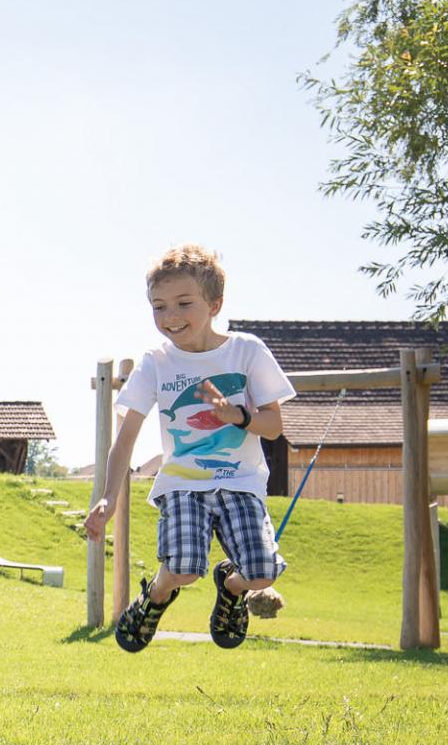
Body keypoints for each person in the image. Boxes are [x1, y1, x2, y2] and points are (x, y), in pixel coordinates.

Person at [84, 244, 295, 651]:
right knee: (182, 567)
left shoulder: (246, 351)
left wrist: (240, 417)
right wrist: (107, 497)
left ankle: (231, 589)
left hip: (242, 482)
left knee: (262, 573)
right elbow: (126, 436)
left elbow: (273, 427)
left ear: (214, 303)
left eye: (184, 303)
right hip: (183, 482)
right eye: (159, 307)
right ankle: (156, 597)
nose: (171, 317)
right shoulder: (157, 363)